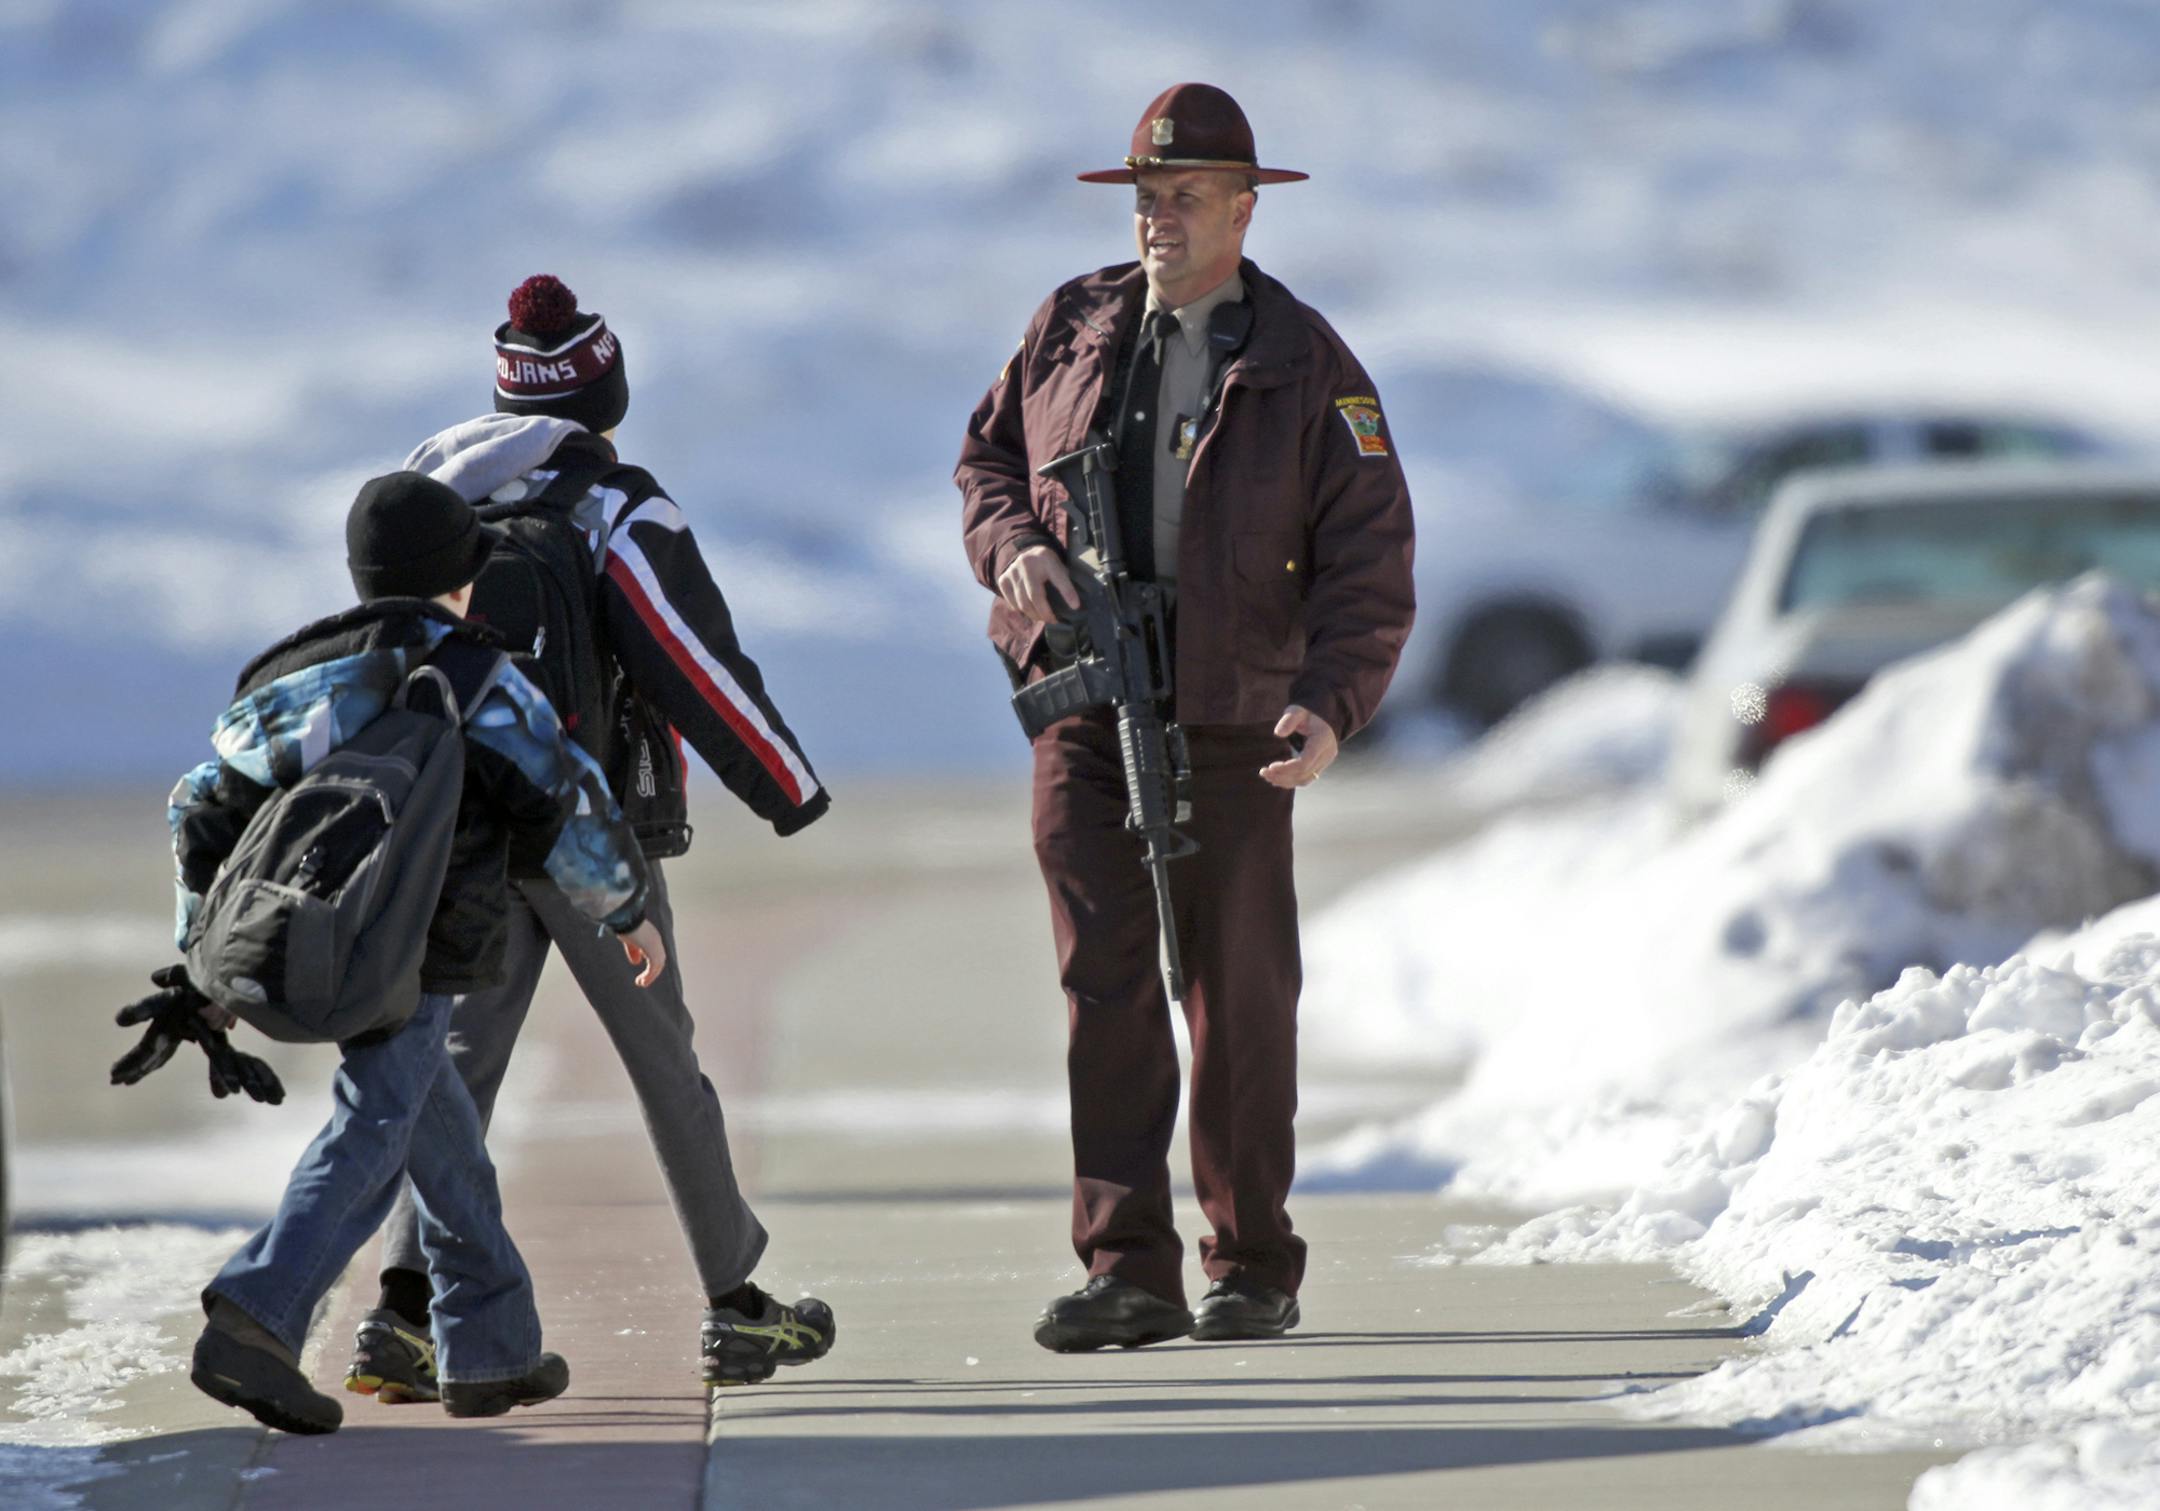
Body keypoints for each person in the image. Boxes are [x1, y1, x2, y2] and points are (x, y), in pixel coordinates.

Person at [955, 83, 1415, 1350]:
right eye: (1150, 197)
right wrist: (1011, 551)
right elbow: (986, 461)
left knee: (1239, 996)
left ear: (1245, 210)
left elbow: (1371, 562)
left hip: (1232, 721)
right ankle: (1128, 1267)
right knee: (1101, 983)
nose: (1161, 219)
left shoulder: (1306, 364)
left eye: (1188, 198)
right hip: (1088, 702)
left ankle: (1251, 1260)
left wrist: (1328, 706)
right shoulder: (1071, 322)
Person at [349, 275, 835, 1401]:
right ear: (603, 388)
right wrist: (788, 786)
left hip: (460, 841)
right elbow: (693, 660)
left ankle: (403, 1314)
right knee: (664, 1058)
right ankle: (738, 1305)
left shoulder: (430, 498)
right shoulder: (613, 503)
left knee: (457, 1073)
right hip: (579, 837)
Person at [165, 470, 666, 1432]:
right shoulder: (474, 673)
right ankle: (255, 1317)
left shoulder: (290, 678)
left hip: (306, 937)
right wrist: (626, 905)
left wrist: (201, 952)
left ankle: (492, 1347)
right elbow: (565, 792)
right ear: (459, 577)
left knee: (440, 1134)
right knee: (378, 1121)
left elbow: (198, 806)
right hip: (419, 944)